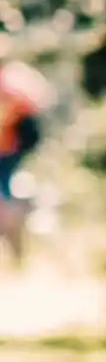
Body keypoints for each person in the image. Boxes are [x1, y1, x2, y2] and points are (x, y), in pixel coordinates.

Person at [0, 57, 48, 270]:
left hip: (7, 149)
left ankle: (12, 238)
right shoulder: (15, 81)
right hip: (11, 149)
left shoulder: (9, 85)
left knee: (5, 196)